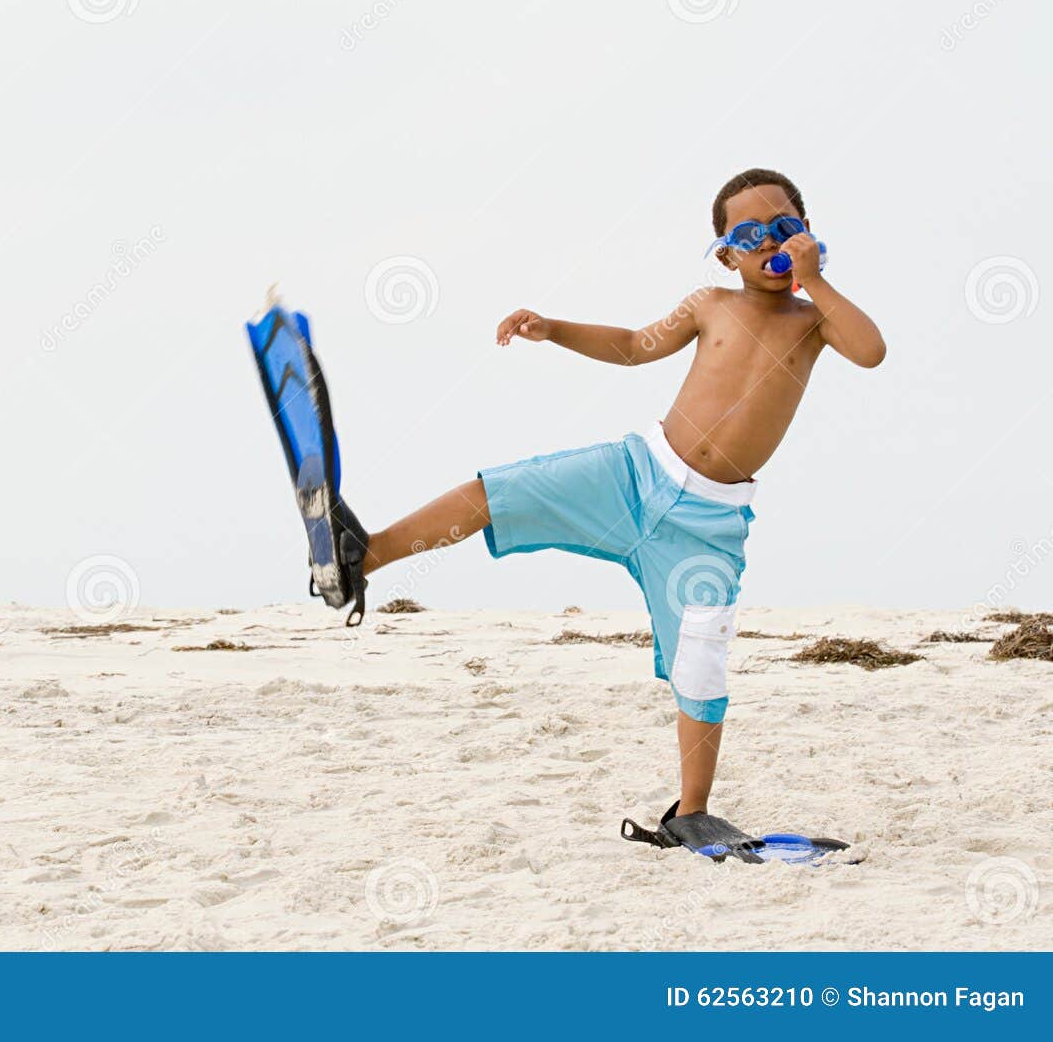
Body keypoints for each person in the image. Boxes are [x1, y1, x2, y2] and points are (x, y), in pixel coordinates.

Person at [356, 168, 885, 828]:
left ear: (807, 235)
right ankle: (364, 556)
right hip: (636, 475)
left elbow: (872, 350)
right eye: (750, 236)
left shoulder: (813, 321)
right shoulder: (709, 305)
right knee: (501, 490)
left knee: (702, 659)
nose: (770, 245)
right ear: (726, 254)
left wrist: (818, 280)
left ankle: (690, 811)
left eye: (785, 229)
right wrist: (553, 327)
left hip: (709, 526)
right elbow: (635, 346)